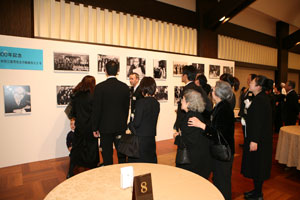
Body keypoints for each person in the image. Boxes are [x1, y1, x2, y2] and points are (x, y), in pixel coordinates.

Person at [188, 81, 235, 200]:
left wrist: (202, 126)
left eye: (213, 90)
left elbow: (219, 134)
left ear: (218, 93)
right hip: (219, 151)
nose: (211, 92)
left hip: (223, 152)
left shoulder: (224, 109)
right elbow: (211, 116)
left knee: (222, 182)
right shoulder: (220, 106)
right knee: (218, 179)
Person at [241, 75, 273, 200]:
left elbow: (258, 123)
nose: (250, 84)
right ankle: (256, 191)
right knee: (257, 166)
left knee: (258, 166)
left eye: (252, 82)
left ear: (259, 86)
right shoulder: (260, 98)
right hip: (260, 139)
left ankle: (258, 194)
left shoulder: (260, 100)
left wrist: (254, 140)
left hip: (259, 140)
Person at [92, 60, 130, 166]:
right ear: (117, 71)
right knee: (122, 155)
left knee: (107, 156)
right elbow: (126, 108)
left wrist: (95, 127)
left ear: (105, 71)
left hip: (105, 128)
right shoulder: (125, 87)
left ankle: (109, 178)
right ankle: (124, 178)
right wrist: (123, 124)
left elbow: (96, 110)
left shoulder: (99, 87)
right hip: (120, 127)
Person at [174, 89, 212, 179]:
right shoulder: (195, 115)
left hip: (193, 161)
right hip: (197, 158)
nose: (181, 101)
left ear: (188, 103)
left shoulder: (191, 118)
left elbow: (189, 140)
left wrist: (177, 137)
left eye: (183, 99)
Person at [67, 75, 99, 178]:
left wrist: (74, 120)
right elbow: (96, 113)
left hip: (80, 126)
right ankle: (92, 168)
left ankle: (70, 172)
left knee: (77, 148)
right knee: (92, 147)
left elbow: (71, 112)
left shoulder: (76, 95)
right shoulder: (94, 96)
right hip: (91, 127)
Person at [128, 77, 160, 163]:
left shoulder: (141, 103)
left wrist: (130, 124)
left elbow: (137, 123)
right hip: (151, 139)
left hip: (140, 141)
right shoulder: (156, 103)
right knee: (150, 164)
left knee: (139, 166)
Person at [174, 65, 213, 133]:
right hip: (197, 124)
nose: (181, 76)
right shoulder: (198, 88)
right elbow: (208, 105)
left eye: (182, 74)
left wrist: (179, 125)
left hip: (188, 125)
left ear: (185, 76)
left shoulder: (187, 89)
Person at [238, 74, 257, 146]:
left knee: (247, 130)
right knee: (244, 130)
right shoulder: (247, 90)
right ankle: (245, 142)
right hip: (243, 114)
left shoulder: (252, 92)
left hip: (247, 115)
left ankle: (247, 143)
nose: (247, 80)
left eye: (249, 79)